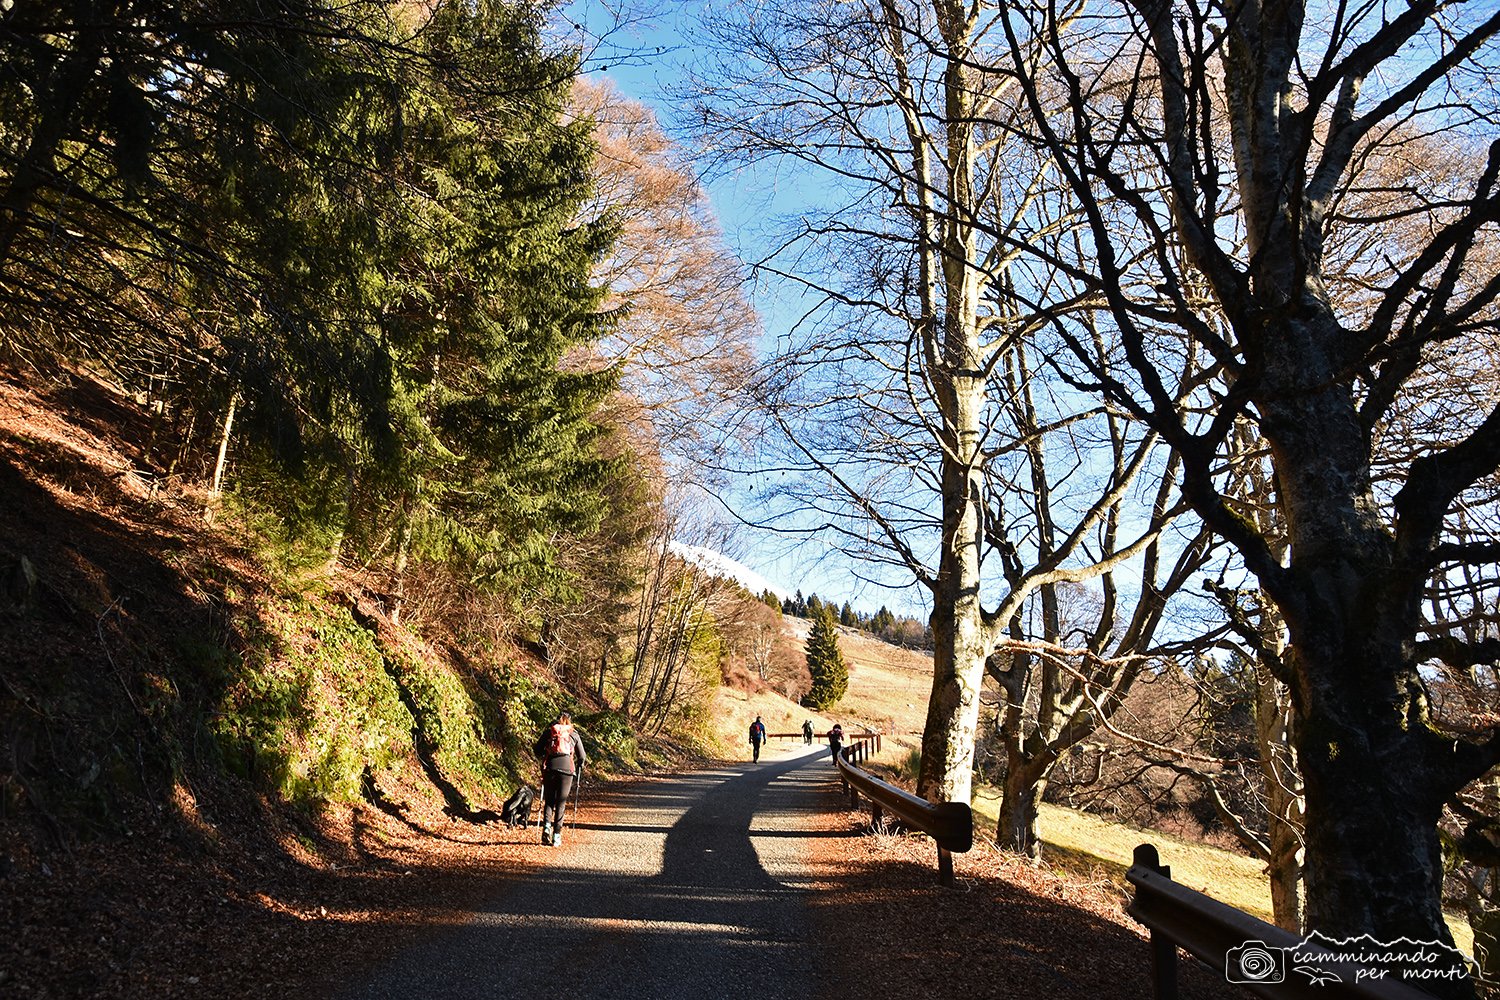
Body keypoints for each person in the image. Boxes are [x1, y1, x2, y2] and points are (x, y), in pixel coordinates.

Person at [533, 711, 587, 847]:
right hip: (566, 770)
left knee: (549, 800)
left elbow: (537, 750)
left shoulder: (550, 732)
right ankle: (556, 836)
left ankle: (546, 827)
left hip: (550, 767)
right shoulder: (574, 734)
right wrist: (580, 765)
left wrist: (545, 754)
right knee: (561, 803)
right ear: (570, 722)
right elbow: (582, 756)